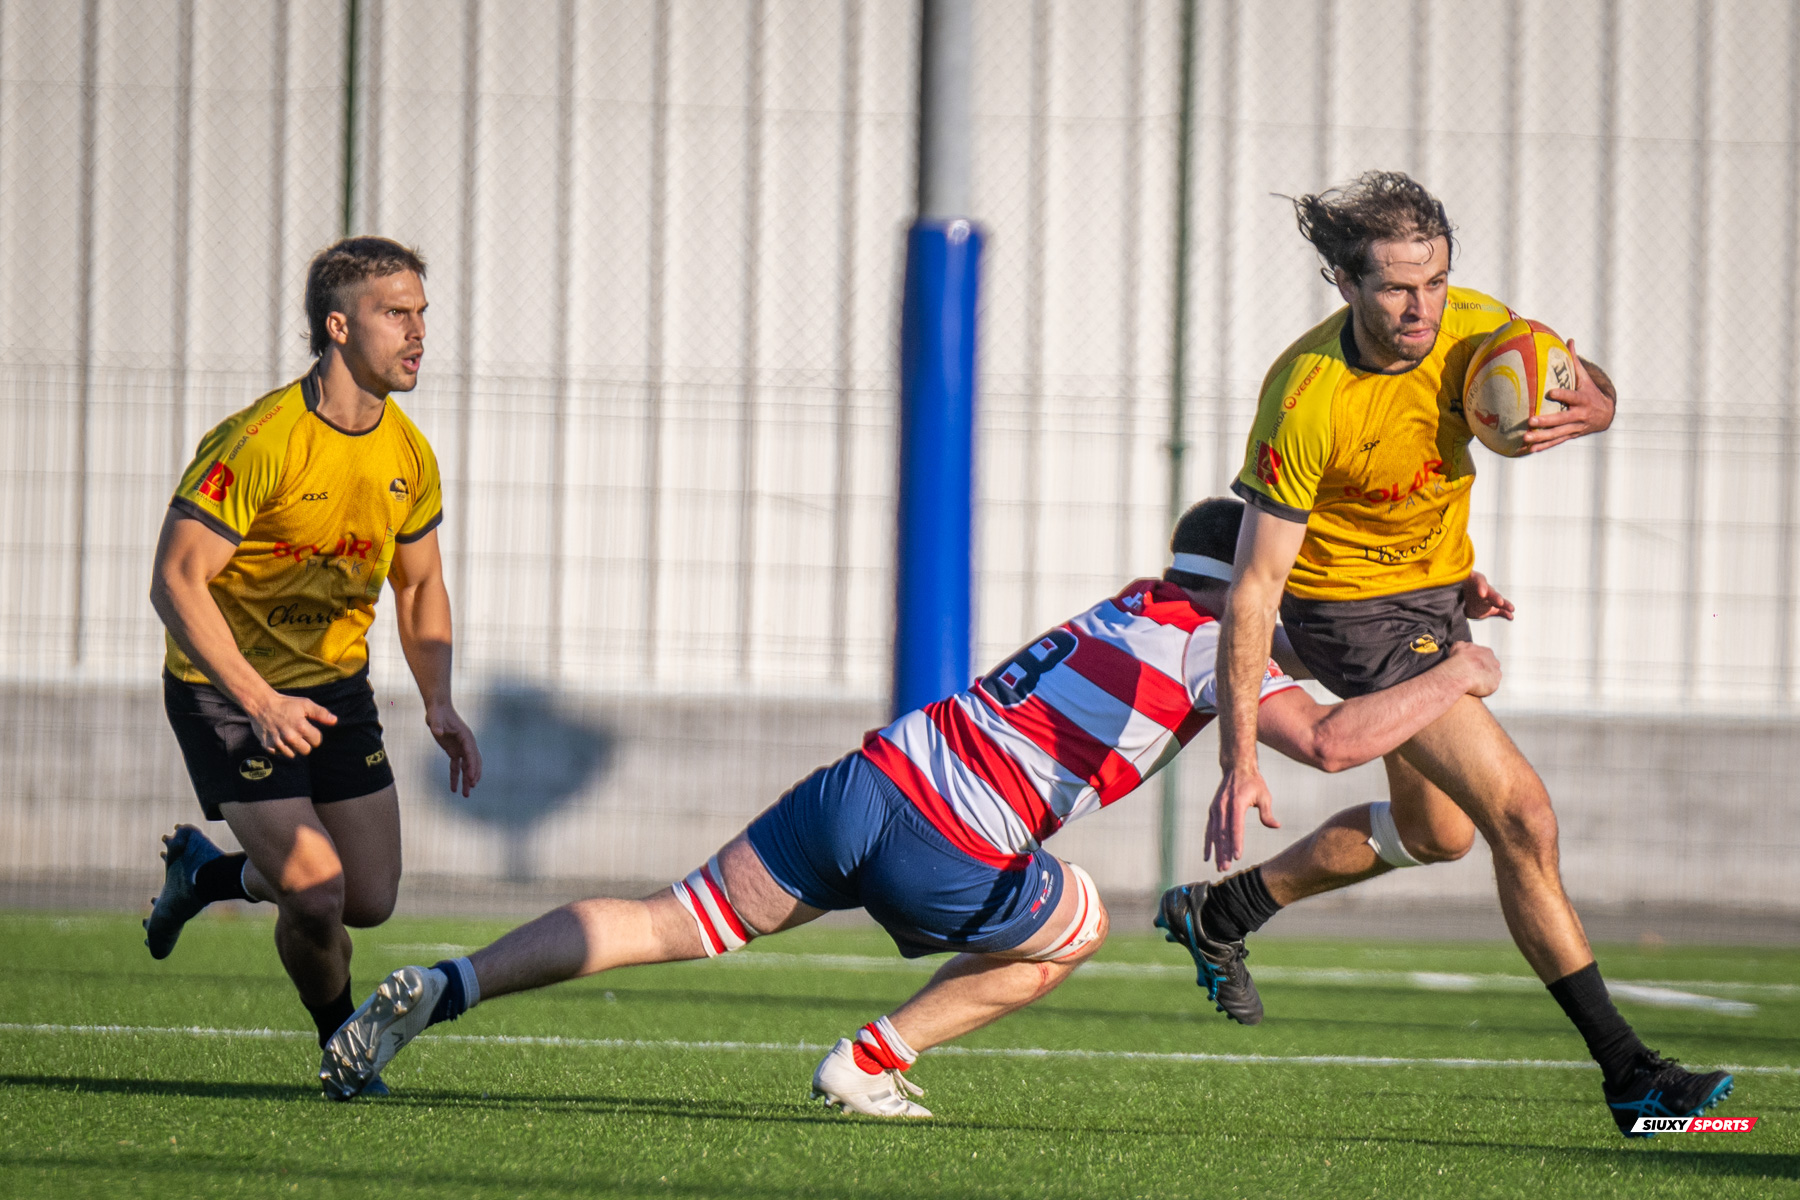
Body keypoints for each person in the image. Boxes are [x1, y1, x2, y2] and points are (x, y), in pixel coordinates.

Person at [318, 497, 1499, 1115]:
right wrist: (1452, 667)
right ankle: (869, 1060)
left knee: (668, 916)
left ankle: (453, 983)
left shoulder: (1134, 604)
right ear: (1249, 575)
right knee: (1079, 921)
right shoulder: (1211, 645)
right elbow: (1339, 739)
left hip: (864, 783)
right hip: (952, 837)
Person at [1160, 171, 1731, 1138]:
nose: (1420, 307)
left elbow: (1586, 387)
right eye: (1393, 287)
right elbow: (1256, 588)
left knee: (1438, 836)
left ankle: (1225, 913)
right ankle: (1630, 1074)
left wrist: (1592, 408)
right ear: (1343, 283)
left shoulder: (1476, 326)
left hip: (1434, 597)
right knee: (1522, 815)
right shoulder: (1305, 399)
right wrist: (1240, 754)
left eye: (1433, 281)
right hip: (1355, 618)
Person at [146, 237, 482, 1089]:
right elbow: (176, 580)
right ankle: (345, 1045)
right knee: (318, 890)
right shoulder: (260, 441)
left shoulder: (407, 454)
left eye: (421, 314)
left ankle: (206, 872)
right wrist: (256, 699)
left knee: (369, 899)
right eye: (394, 313)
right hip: (226, 691)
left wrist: (438, 700)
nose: (417, 333)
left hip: (334, 690)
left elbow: (419, 586)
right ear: (337, 326)